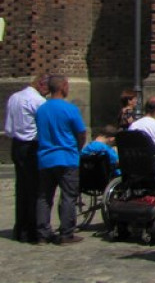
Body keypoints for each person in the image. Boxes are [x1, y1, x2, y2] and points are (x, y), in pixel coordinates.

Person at [34, 75, 87, 245]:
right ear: (63, 87)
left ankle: (42, 233)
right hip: (66, 157)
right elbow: (81, 132)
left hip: (45, 158)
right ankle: (66, 233)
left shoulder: (41, 109)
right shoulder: (70, 109)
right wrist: (78, 148)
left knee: (44, 197)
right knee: (68, 197)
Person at [5, 74, 48, 243]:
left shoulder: (14, 97)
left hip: (17, 145)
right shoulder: (38, 101)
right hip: (32, 146)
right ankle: (31, 229)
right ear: (41, 85)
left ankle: (20, 228)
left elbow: (9, 126)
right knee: (34, 189)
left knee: (21, 187)